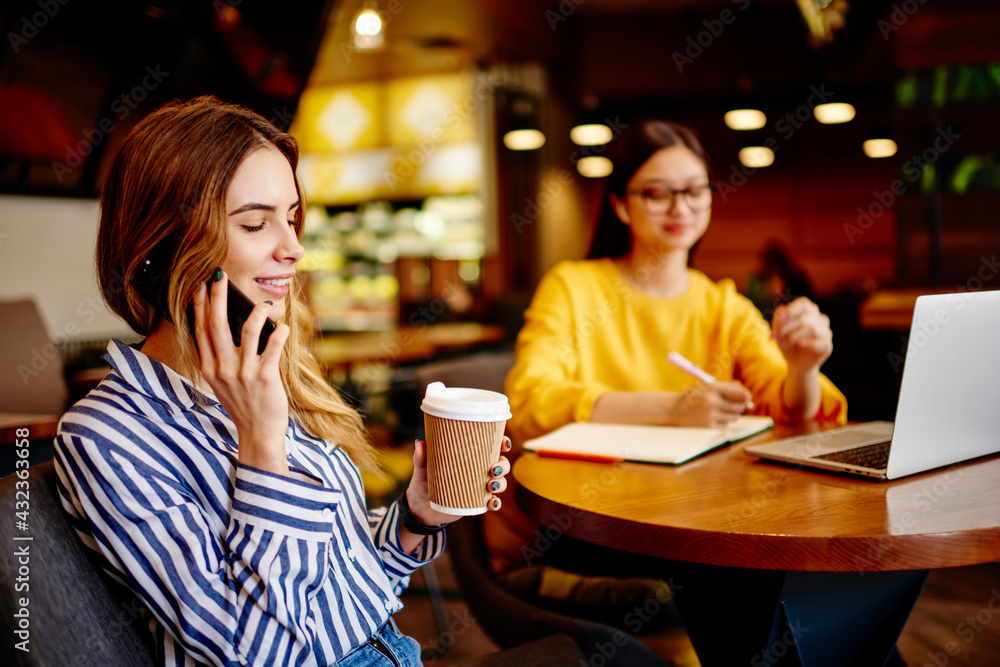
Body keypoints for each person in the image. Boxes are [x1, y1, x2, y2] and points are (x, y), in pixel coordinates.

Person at [54, 96, 512, 667]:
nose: (293, 248)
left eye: (291, 217)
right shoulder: (105, 438)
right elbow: (256, 652)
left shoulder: (270, 368)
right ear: (162, 248)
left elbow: (331, 596)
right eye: (254, 222)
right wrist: (262, 443)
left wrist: (417, 517)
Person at [483, 119, 847, 622]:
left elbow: (794, 410)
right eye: (658, 193)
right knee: (749, 581)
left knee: (792, 578)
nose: (681, 207)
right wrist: (672, 409)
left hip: (689, 520)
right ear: (619, 204)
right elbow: (529, 404)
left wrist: (803, 368)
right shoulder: (574, 287)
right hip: (579, 525)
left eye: (695, 191)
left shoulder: (723, 304)